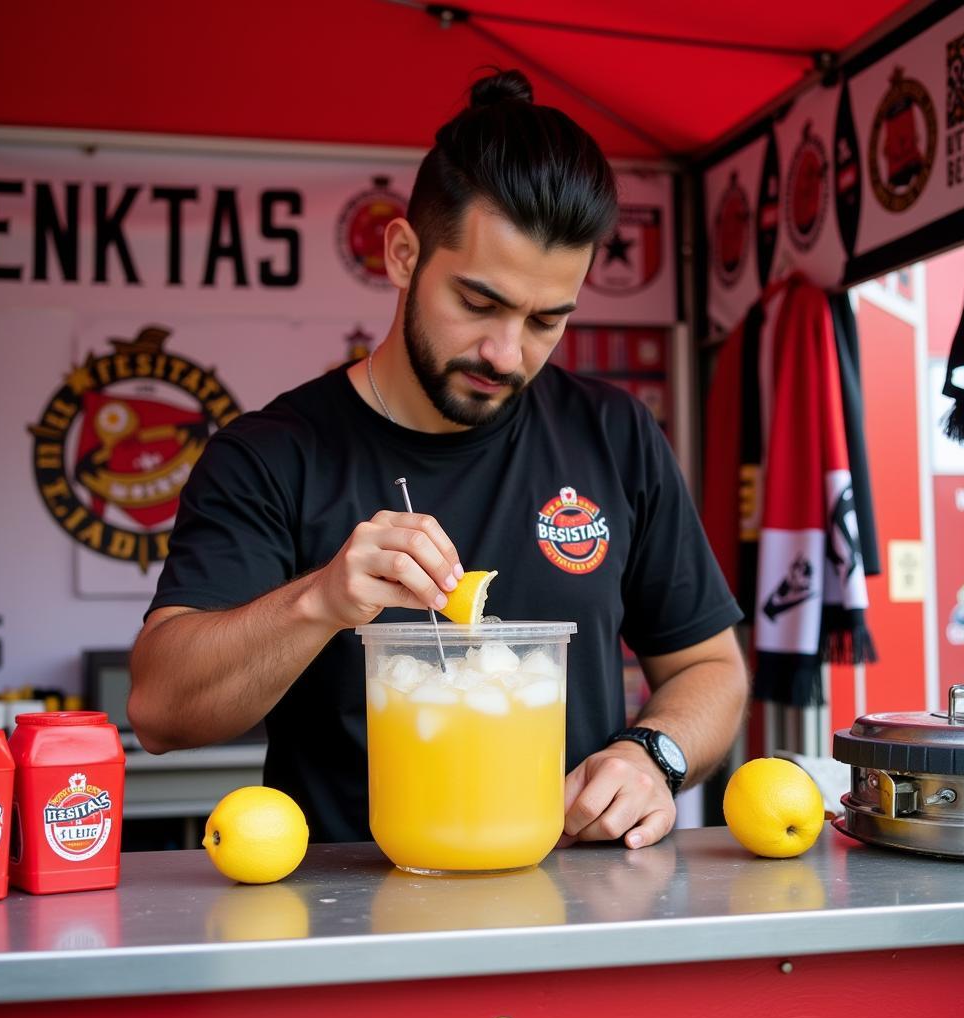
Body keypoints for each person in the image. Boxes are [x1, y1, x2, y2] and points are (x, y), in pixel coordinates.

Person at [129, 69, 748, 851]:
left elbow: (712, 668)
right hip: (344, 916)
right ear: (401, 254)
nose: (505, 351)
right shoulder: (270, 455)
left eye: (547, 320)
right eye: (478, 304)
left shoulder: (613, 432)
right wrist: (321, 600)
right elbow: (159, 711)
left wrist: (652, 754)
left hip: (575, 907)